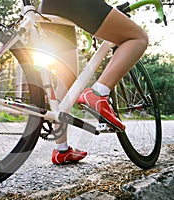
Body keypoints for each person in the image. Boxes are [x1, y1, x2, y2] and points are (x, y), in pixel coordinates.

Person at [38, 0, 148, 165]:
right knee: (138, 38)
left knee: (67, 76)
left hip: (48, 6)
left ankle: (61, 149)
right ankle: (98, 93)